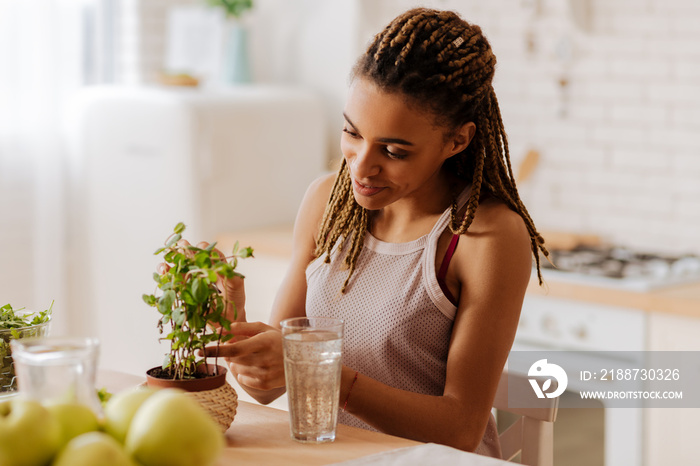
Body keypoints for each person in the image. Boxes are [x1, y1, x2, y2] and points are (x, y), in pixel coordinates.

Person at [203, 7, 549, 457]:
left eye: (393, 150)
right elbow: (268, 390)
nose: (361, 166)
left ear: (457, 141)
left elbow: (461, 429)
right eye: (351, 133)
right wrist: (239, 335)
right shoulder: (326, 202)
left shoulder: (483, 236)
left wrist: (321, 371)